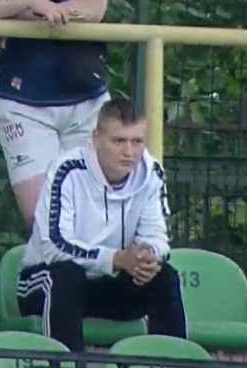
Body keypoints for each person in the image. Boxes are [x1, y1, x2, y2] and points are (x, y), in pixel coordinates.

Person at [16, 98, 187, 352]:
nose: (129, 152)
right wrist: (115, 258)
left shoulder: (151, 173)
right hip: (44, 283)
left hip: (109, 285)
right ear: (96, 139)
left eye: (137, 141)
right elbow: (54, 247)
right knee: (66, 276)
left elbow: (158, 236)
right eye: (118, 141)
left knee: (164, 277)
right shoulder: (66, 171)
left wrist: (147, 255)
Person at [0, 0, 111, 226]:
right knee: (44, 220)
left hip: (87, 98)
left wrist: (12, 14)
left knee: (96, 218)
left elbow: (93, 9)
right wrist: (32, 3)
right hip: (23, 103)